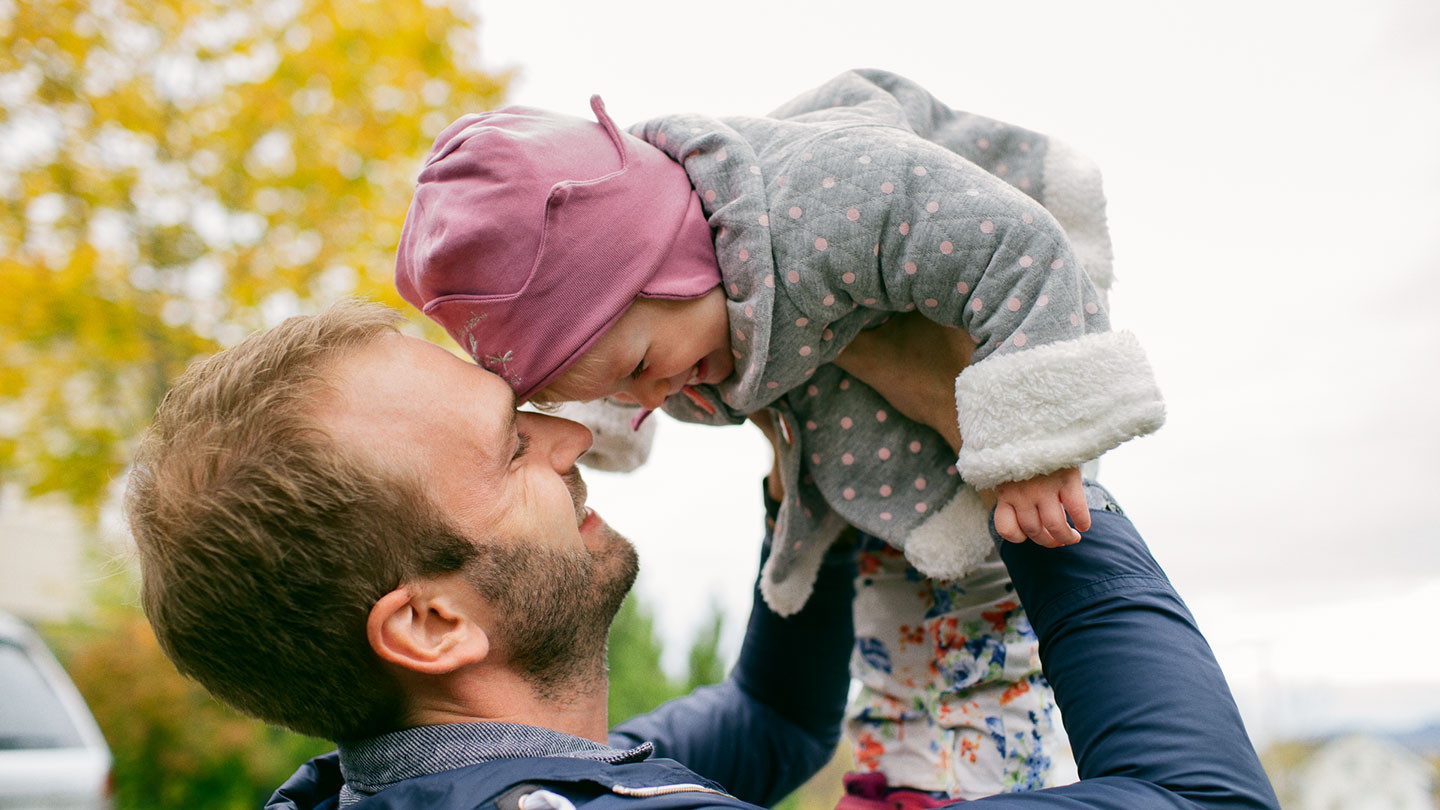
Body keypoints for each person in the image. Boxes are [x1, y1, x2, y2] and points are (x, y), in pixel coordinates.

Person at [124, 300, 1278, 810]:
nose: (576, 435)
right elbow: (1199, 802)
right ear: (430, 624)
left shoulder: (393, 784)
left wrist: (805, 493)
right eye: (512, 445)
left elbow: (768, 730)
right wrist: (1017, 435)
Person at [392, 69, 1166, 796]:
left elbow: (1017, 247)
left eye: (639, 364)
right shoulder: (675, 331)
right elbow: (607, 343)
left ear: (672, 254)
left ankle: (991, 780)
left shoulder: (828, 201)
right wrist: (603, 409)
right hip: (861, 447)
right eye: (613, 395)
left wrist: (1036, 443)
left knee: (985, 623)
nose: (653, 394)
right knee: (894, 627)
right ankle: (901, 785)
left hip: (1004, 348)